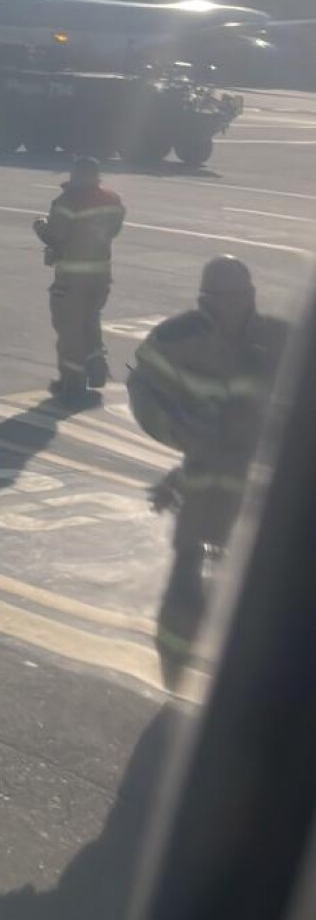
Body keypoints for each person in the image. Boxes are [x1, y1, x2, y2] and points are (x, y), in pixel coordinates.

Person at [128, 256, 288, 682]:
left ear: (252, 295)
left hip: (255, 487)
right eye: (224, 296)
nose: (234, 304)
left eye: (241, 295)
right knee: (185, 577)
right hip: (200, 480)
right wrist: (179, 435)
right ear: (205, 299)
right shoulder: (177, 339)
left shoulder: (278, 339)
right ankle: (174, 666)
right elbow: (143, 389)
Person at [32, 157, 125, 406]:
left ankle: (72, 382)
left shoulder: (67, 202)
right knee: (90, 321)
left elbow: (56, 236)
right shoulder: (113, 200)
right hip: (100, 276)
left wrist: (40, 227)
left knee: (69, 329)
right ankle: (96, 369)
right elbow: (114, 229)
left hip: (72, 278)